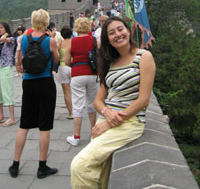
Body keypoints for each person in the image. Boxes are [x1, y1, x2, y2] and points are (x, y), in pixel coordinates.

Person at [70, 17, 156, 188]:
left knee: (79, 165)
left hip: (128, 121)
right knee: (101, 173)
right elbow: (98, 101)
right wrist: (107, 114)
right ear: (107, 39)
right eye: (111, 33)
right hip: (107, 119)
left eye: (120, 29)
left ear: (128, 30)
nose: (117, 34)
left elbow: (144, 100)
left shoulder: (144, 56)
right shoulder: (110, 62)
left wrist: (111, 122)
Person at [8, 9, 59, 179]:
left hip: (28, 82)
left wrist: (20, 66)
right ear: (46, 23)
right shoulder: (50, 40)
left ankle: (15, 165)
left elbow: (19, 62)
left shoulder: (22, 39)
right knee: (45, 126)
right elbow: (56, 59)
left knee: (24, 125)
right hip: (45, 82)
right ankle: (42, 167)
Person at [65, 17, 99, 147]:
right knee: (92, 104)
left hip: (77, 74)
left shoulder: (72, 42)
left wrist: (76, 64)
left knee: (78, 105)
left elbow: (67, 60)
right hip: (92, 74)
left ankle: (76, 137)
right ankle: (94, 133)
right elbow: (100, 56)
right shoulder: (95, 40)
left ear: (77, 27)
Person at [0, 22, 16, 126]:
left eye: (1, 28)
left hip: (7, 67)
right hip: (0, 67)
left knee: (7, 92)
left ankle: (12, 118)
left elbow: (3, 40)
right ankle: (1, 115)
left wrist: (4, 35)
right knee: (0, 93)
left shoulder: (11, 39)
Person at [57, 25, 73, 119]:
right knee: (76, 91)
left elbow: (57, 57)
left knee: (67, 92)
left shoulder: (60, 43)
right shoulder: (74, 42)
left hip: (63, 68)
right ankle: (77, 110)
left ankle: (71, 113)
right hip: (73, 67)